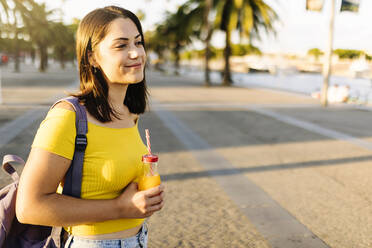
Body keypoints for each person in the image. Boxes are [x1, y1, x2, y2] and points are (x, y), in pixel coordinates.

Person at [15, 6, 165, 248]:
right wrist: (120, 208)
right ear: (92, 57)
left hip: (138, 240)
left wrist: (145, 199)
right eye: (121, 45)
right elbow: (29, 207)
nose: (137, 53)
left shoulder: (130, 114)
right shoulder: (67, 117)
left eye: (138, 43)